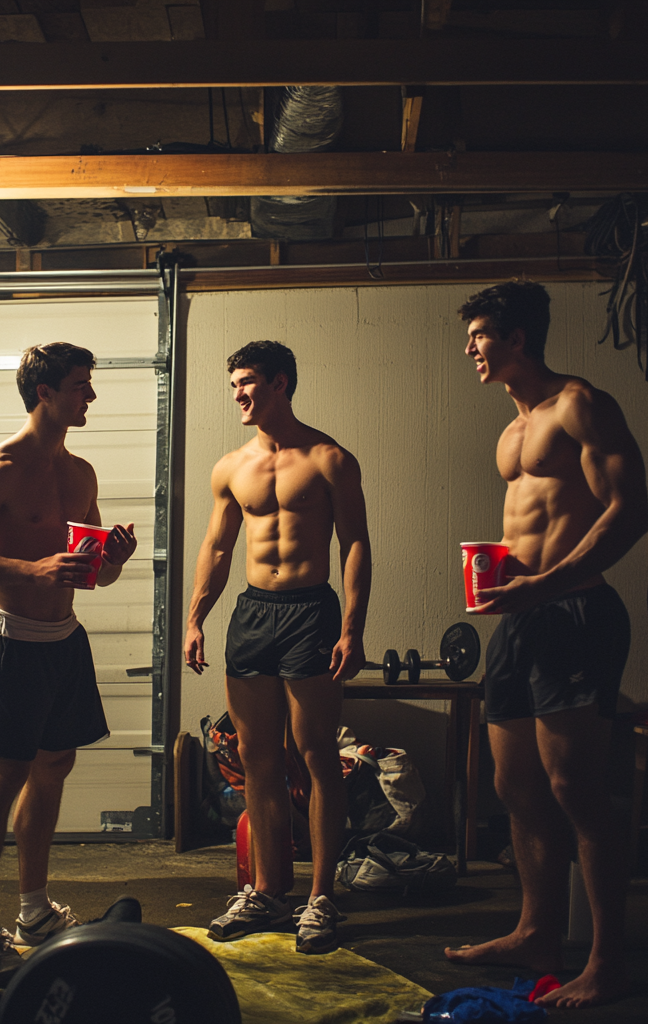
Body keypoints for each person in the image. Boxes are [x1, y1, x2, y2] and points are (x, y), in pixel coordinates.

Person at [445, 281, 648, 1008]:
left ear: (517, 338)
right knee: (515, 787)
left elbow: (630, 512)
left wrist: (547, 582)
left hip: (576, 616)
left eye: (479, 335)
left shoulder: (580, 405)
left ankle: (606, 961)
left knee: (577, 793)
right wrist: (506, 575)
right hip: (521, 621)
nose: (469, 347)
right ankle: (537, 931)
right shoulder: (510, 430)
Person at [0, 342, 137, 980]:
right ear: (44, 393)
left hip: (63, 641)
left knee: (54, 766)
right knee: (4, 780)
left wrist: (113, 561)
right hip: (10, 641)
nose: (91, 396)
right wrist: (31, 567)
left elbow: (90, 577)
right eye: (81, 385)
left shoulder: (81, 475)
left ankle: (33, 911)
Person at [184, 340, 371, 955]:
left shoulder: (330, 459)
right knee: (256, 757)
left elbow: (355, 545)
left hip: (310, 612)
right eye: (234, 383)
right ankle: (268, 892)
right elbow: (215, 548)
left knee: (316, 755)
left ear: (282, 383)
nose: (239, 393)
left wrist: (352, 627)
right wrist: (195, 619)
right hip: (252, 613)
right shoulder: (230, 466)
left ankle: (321, 898)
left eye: (249, 382)